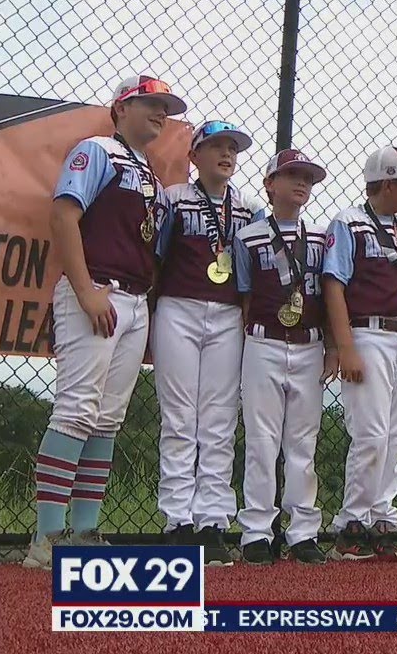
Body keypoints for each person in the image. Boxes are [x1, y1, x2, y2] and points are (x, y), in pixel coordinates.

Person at [24, 75, 186, 569]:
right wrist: (85, 287)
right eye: (150, 104)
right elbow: (63, 217)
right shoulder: (95, 150)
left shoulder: (154, 177)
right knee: (76, 409)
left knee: (107, 418)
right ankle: (46, 539)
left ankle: (85, 529)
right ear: (121, 108)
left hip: (134, 301)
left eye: (165, 107)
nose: (161, 113)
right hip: (96, 289)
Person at [154, 119, 266, 565]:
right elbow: (157, 256)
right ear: (194, 155)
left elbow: (254, 273)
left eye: (233, 149)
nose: (227, 155)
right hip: (178, 308)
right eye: (216, 147)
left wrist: (245, 315)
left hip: (226, 316)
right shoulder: (174, 199)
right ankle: (176, 518)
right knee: (180, 416)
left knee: (219, 419)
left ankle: (213, 519)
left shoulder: (249, 209)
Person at [322, 146, 397, 561]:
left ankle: (382, 518)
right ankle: (352, 522)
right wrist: (345, 346)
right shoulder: (349, 223)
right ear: (388, 183)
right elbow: (333, 284)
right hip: (368, 332)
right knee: (370, 433)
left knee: (395, 436)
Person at [234, 149, 337, 565]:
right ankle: (257, 530)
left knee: (302, 441)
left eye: (308, 178)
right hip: (264, 341)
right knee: (261, 439)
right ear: (269, 184)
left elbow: (330, 298)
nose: (301, 183)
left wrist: (331, 346)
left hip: (310, 344)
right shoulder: (247, 237)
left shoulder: (320, 238)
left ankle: (302, 531)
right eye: (292, 175)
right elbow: (243, 295)